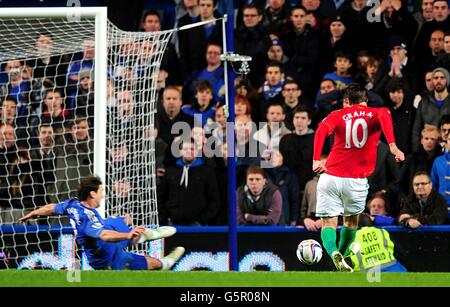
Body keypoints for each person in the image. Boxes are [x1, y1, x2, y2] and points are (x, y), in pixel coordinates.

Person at [312, 83, 405, 272]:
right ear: (366, 100)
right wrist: (393, 146)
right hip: (355, 180)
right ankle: (343, 254)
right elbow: (386, 116)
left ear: (346, 101)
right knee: (350, 223)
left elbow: (321, 131)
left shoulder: (336, 115)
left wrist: (315, 160)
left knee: (328, 223)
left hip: (329, 176)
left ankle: (333, 253)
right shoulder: (377, 112)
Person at [19, 175, 185, 270]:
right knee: (153, 263)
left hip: (105, 233)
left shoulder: (73, 204)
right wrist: (127, 234)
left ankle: (146, 235)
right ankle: (165, 262)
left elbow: (52, 208)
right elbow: (104, 235)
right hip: (107, 257)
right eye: (101, 192)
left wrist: (34, 213)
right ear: (92, 194)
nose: (103, 195)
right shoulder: (88, 219)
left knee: (119, 219)